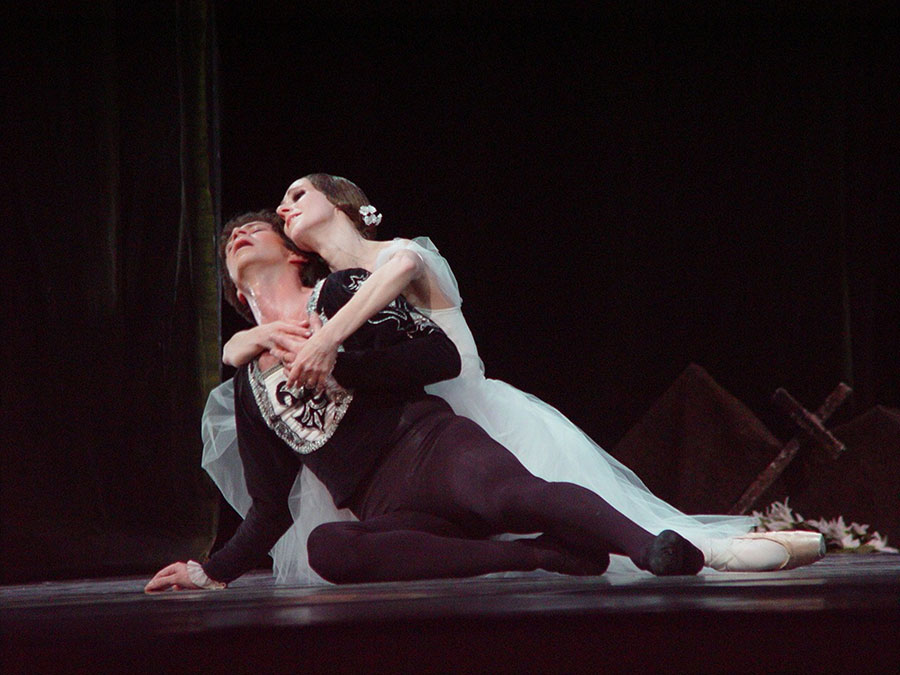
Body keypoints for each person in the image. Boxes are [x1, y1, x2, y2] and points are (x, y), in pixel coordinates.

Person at [146, 213, 727, 592]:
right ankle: (540, 558)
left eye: (253, 228)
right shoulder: (249, 385)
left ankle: (652, 550)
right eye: (228, 242)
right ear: (229, 280)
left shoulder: (341, 290)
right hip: (382, 503)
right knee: (329, 549)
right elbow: (270, 508)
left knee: (513, 495)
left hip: (430, 447)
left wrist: (338, 358)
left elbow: (438, 357)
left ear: (295, 255)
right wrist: (210, 570)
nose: (237, 237)